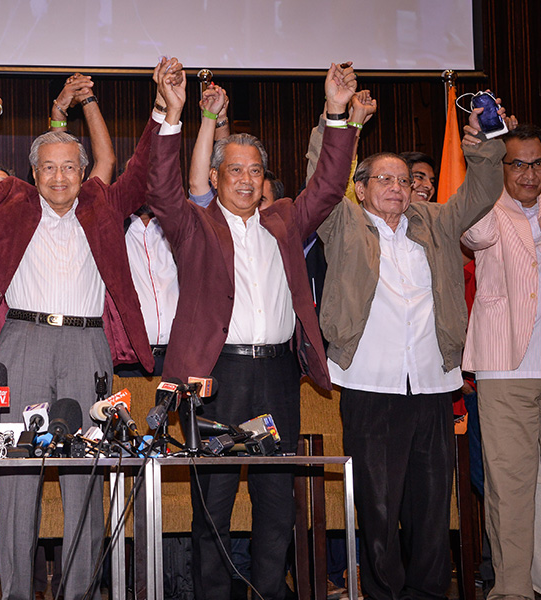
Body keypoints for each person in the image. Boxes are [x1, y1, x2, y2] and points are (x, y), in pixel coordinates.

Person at [146, 57, 358, 600]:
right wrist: (171, 115)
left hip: (277, 377)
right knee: (212, 504)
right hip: (217, 378)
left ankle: (268, 591)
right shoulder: (194, 225)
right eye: (234, 170)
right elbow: (163, 188)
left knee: (274, 500)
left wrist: (336, 114)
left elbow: (330, 186)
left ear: (265, 179)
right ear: (215, 177)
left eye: (254, 171)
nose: (245, 179)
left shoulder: (284, 220)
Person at [0, 61, 163, 600]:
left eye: (71, 167)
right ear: (34, 171)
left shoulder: (103, 204)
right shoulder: (7, 201)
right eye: (49, 168)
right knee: (18, 478)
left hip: (89, 349)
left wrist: (166, 110)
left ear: (85, 171)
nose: (60, 177)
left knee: (88, 479)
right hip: (20, 345)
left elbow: (142, 172)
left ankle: (78, 593)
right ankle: (19, 592)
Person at [314, 101, 506, 600]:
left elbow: (484, 191)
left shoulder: (436, 223)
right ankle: (382, 594)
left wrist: (484, 141)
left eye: (403, 179)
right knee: (377, 507)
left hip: (431, 384)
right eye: (383, 179)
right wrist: (338, 119)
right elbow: (322, 174)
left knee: (429, 506)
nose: (397, 187)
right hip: (370, 386)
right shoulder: (345, 223)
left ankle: (427, 594)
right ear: (360, 188)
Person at [461, 122, 541, 600]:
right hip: (505, 366)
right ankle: (513, 590)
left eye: (537, 163)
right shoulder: (488, 205)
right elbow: (472, 234)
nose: (528, 173)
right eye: (517, 163)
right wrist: (480, 155)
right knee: (510, 486)